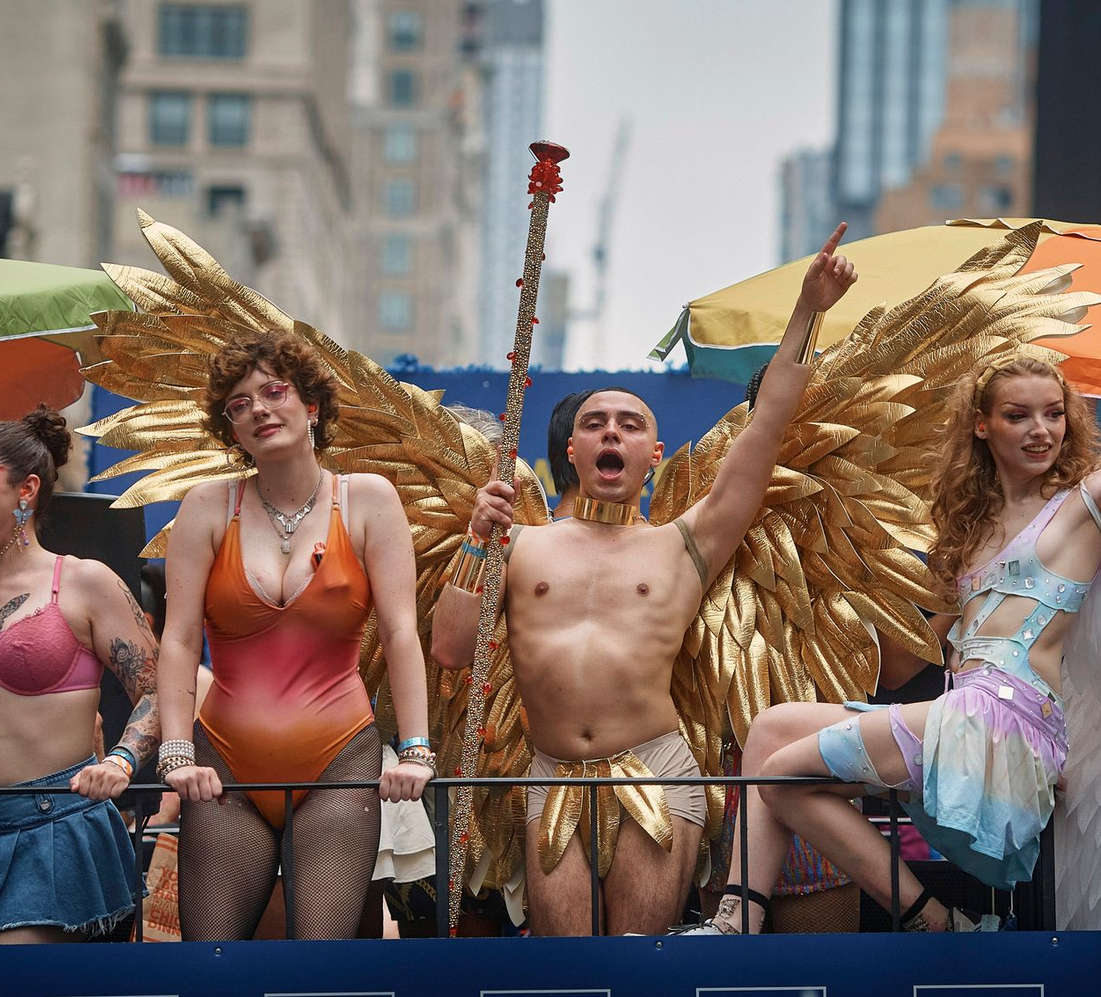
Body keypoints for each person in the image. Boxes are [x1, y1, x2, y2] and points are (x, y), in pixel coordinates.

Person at [432, 225, 858, 935]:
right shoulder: (518, 542)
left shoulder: (685, 544)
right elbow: (449, 646)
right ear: (572, 447)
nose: (610, 433)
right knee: (569, 979)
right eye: (595, 423)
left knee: (642, 960)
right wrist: (477, 539)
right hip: (551, 775)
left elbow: (769, 421)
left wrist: (807, 310)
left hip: (656, 769)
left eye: (629, 424)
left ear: (652, 453)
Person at [707, 356, 1101, 934]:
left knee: (778, 774)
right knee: (769, 731)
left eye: (1054, 413)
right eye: (1019, 415)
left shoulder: (1084, 503)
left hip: (1010, 724)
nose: (1041, 430)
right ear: (981, 424)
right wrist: (851, 563)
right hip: (961, 716)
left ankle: (930, 921)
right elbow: (896, 669)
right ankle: (737, 918)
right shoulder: (967, 532)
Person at [158, 329, 436, 941]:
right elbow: (177, 638)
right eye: (238, 403)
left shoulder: (368, 500)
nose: (256, 408)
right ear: (230, 429)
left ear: (311, 405)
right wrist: (175, 751)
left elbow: (399, 632)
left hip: (340, 754)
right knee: (209, 965)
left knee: (321, 970)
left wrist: (416, 749)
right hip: (224, 763)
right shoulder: (206, 506)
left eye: (272, 391)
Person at [0, 408, 159, 944]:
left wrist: (122, 758)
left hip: (52, 826)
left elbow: (158, 689)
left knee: (9, 992)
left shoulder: (85, 582)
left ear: (27, 490)